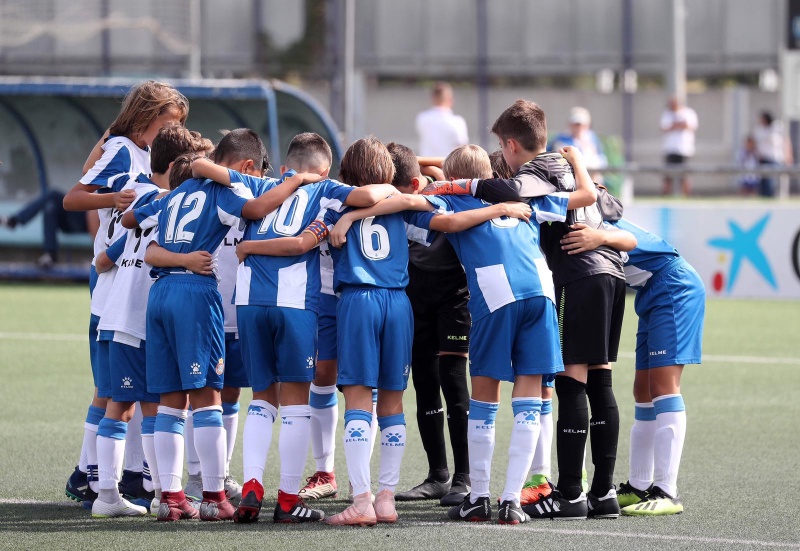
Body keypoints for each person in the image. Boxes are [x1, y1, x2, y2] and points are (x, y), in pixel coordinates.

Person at [191, 133, 395, 524]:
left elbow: (200, 165)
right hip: (294, 303)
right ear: (324, 170)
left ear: (286, 166)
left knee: (262, 398)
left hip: (248, 301)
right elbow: (371, 197)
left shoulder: (262, 183)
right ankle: (287, 500)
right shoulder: (327, 189)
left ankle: (251, 484)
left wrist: (288, 184)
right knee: (296, 402)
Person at [122, 128, 324, 522]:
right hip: (194, 294)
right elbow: (256, 209)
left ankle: (171, 497)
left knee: (169, 403)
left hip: (159, 294)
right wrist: (297, 180)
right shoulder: (219, 190)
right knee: (208, 399)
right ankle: (214, 495)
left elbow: (132, 221)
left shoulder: (172, 194)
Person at [62, 80, 189, 509]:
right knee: (114, 390)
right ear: (145, 117)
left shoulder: (148, 156)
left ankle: (125, 477)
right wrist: (115, 198)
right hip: (118, 283)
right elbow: (74, 197)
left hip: (131, 276)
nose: (172, 133)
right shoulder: (121, 148)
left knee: (131, 391)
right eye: (168, 123)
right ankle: (93, 478)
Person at [90, 124, 214, 519]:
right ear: (184, 166)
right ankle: (135, 494)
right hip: (137, 318)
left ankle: (145, 492)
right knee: (136, 406)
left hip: (113, 312)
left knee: (134, 405)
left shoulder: (143, 197)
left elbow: (104, 258)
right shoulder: (173, 201)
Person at [563, 192, 704, 516]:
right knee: (642, 390)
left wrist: (599, 235)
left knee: (663, 386)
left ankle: (667, 490)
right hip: (651, 294)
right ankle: (640, 485)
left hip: (674, 287)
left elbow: (650, 247)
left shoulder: (600, 223)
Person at [387, 143, 472, 507]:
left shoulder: (450, 195)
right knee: (423, 382)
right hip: (415, 293)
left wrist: (430, 173)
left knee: (453, 382)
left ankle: (465, 478)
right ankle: (438, 475)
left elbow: (448, 171)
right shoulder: (393, 198)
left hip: (454, 295)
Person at [0, 190, 97, 267]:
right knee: (50, 207)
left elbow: (93, 214)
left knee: (53, 195)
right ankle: (50, 255)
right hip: (78, 217)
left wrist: (97, 253)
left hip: (84, 222)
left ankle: (14, 220)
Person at [548, 107, 607, 183]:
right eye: (576, 124)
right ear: (570, 124)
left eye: (582, 124)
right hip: (569, 181)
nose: (579, 127)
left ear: (587, 125)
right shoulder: (561, 140)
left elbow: (602, 161)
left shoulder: (593, 139)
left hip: (592, 181)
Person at [415, 82, 469, 157]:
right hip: (448, 165)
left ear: (433, 98)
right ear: (450, 99)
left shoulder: (422, 118)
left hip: (426, 165)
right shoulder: (457, 122)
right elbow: (462, 147)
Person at [660, 97, 698, 196]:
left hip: (684, 149)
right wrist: (678, 125)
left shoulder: (688, 113)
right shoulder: (667, 114)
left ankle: (686, 195)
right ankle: (665, 195)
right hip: (670, 149)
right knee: (668, 175)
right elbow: (665, 128)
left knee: (684, 175)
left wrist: (675, 125)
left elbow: (691, 126)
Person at [752, 111, 792, 197]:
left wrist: (788, 156)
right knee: (764, 180)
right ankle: (764, 196)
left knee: (772, 180)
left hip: (775, 158)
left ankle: (773, 196)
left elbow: (785, 141)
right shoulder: (759, 129)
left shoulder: (776, 127)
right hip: (763, 158)